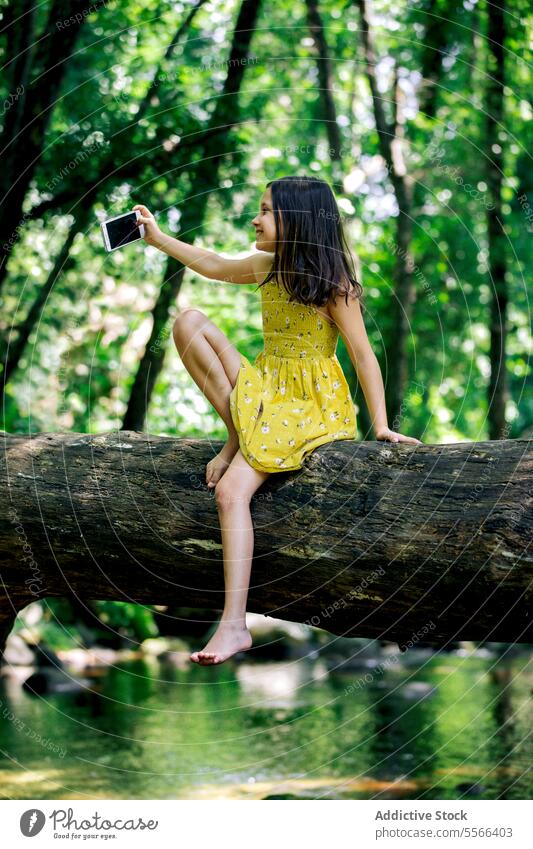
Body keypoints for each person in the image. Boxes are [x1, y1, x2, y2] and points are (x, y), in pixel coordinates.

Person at [133, 176, 421, 666]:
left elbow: (363, 355)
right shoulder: (266, 267)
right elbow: (215, 265)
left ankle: (234, 626)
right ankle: (237, 436)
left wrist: (381, 425)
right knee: (188, 322)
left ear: (296, 221)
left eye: (265, 211)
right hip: (266, 390)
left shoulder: (335, 286)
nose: (255, 218)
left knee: (230, 493)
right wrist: (157, 238)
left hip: (309, 405)